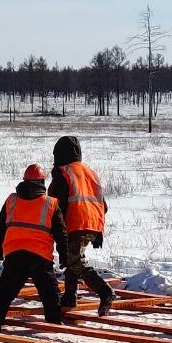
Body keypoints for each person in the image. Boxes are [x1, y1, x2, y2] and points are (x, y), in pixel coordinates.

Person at [0, 164, 68, 331]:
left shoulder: (12, 200)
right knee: (50, 293)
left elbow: (0, 225)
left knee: (4, 292)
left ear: (24, 181)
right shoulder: (50, 203)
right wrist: (64, 255)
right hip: (40, 256)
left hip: (14, 253)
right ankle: (55, 324)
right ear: (42, 182)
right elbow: (61, 233)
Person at [48, 135, 116, 315]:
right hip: (92, 222)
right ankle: (70, 296)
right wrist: (98, 230)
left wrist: (55, 227)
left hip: (74, 222)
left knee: (75, 260)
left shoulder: (63, 172)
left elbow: (55, 204)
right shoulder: (90, 172)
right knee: (74, 257)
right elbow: (104, 205)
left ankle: (104, 291)